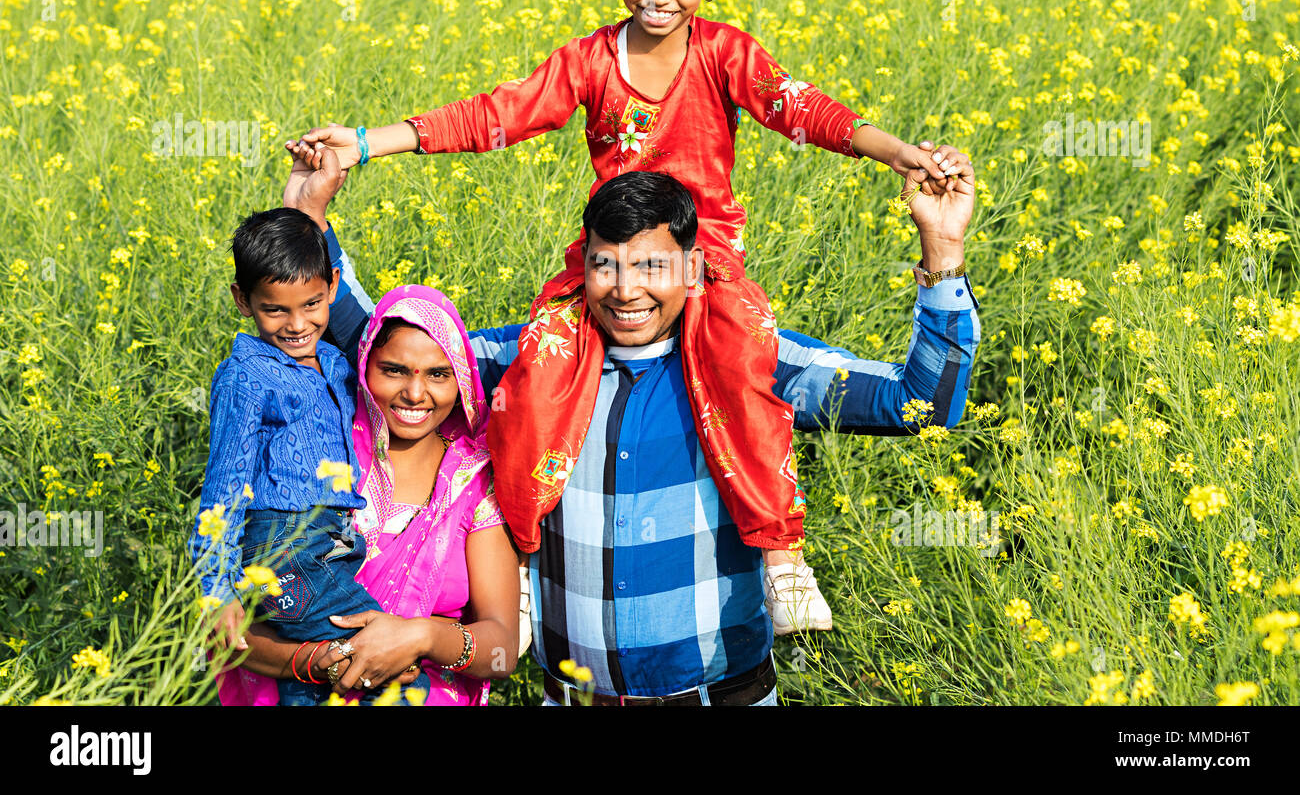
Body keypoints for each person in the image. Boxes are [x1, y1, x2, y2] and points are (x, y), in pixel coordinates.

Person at [287, 0, 972, 634]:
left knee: (744, 366)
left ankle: (781, 557)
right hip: (603, 255)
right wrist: (359, 147)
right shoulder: (589, 61)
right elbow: (494, 117)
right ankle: (516, 559)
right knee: (536, 378)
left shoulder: (724, 54)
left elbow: (801, 109)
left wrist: (905, 164)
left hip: (705, 262)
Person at [287, 149, 980, 705]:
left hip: (722, 694)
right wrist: (311, 216)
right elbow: (386, 345)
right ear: (581, 267)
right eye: (605, 265)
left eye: (650, 265)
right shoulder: (535, 356)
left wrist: (942, 255)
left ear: (692, 266)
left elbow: (922, 402)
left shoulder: (751, 358)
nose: (626, 289)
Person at [220, 252, 520, 704]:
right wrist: (318, 659)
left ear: (460, 381)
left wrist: (420, 638)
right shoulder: (317, 457)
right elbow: (242, 618)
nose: (415, 393)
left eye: (438, 375)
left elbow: (502, 647)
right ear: (363, 367)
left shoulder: (474, 485)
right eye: (394, 370)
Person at [187, 208, 432, 705]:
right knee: (395, 670)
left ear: (333, 285)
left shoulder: (341, 362)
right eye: (275, 310)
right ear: (243, 301)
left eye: (313, 304)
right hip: (281, 553)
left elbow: (409, 355)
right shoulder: (245, 376)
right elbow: (224, 487)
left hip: (331, 548)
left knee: (314, 684)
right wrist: (215, 592)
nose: (297, 324)